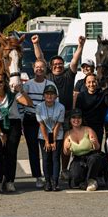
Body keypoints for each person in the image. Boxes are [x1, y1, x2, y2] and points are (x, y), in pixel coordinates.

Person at [37, 35, 85, 178]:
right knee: (51, 144)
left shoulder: (68, 75)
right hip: (50, 117)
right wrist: (36, 43)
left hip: (67, 115)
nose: (57, 66)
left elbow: (75, 61)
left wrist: (80, 46)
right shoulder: (48, 76)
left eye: (60, 64)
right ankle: (52, 172)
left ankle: (64, 170)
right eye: (55, 64)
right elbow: (40, 59)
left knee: (65, 144)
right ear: (50, 67)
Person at [0, 74, 32, 192]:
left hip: (13, 123)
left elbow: (29, 103)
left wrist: (21, 90)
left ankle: (10, 181)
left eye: (0, 82)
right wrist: (1, 134)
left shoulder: (12, 94)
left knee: (11, 152)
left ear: (5, 82)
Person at [22, 35, 58, 189]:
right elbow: (21, 104)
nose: (39, 69)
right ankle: (38, 176)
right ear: (33, 69)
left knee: (47, 149)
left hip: (47, 121)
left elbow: (55, 104)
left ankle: (49, 176)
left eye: (42, 67)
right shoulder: (28, 85)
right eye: (36, 67)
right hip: (30, 120)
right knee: (32, 150)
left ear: (45, 69)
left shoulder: (50, 84)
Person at [63, 109, 104, 191]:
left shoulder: (88, 130)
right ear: (70, 120)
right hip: (78, 158)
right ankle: (84, 182)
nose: (76, 120)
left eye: (79, 118)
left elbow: (97, 148)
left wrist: (95, 143)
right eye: (73, 118)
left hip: (90, 156)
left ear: (82, 119)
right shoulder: (67, 134)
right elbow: (66, 153)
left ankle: (91, 180)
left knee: (94, 159)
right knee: (75, 179)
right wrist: (67, 148)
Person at [36, 85, 65, 191]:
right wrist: (48, 141)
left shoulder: (61, 107)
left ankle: (55, 181)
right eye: (47, 94)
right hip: (43, 135)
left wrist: (53, 140)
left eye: (52, 94)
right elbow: (42, 124)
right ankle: (47, 181)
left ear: (56, 96)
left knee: (55, 158)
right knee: (46, 158)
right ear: (44, 96)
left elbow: (58, 124)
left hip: (57, 134)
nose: (49, 96)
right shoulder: (39, 107)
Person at [75, 74, 108, 144]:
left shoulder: (102, 94)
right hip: (84, 126)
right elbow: (78, 112)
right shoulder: (81, 96)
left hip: (98, 127)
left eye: (93, 81)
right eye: (89, 82)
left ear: (97, 83)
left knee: (96, 150)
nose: (91, 84)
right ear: (85, 84)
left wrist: (106, 90)